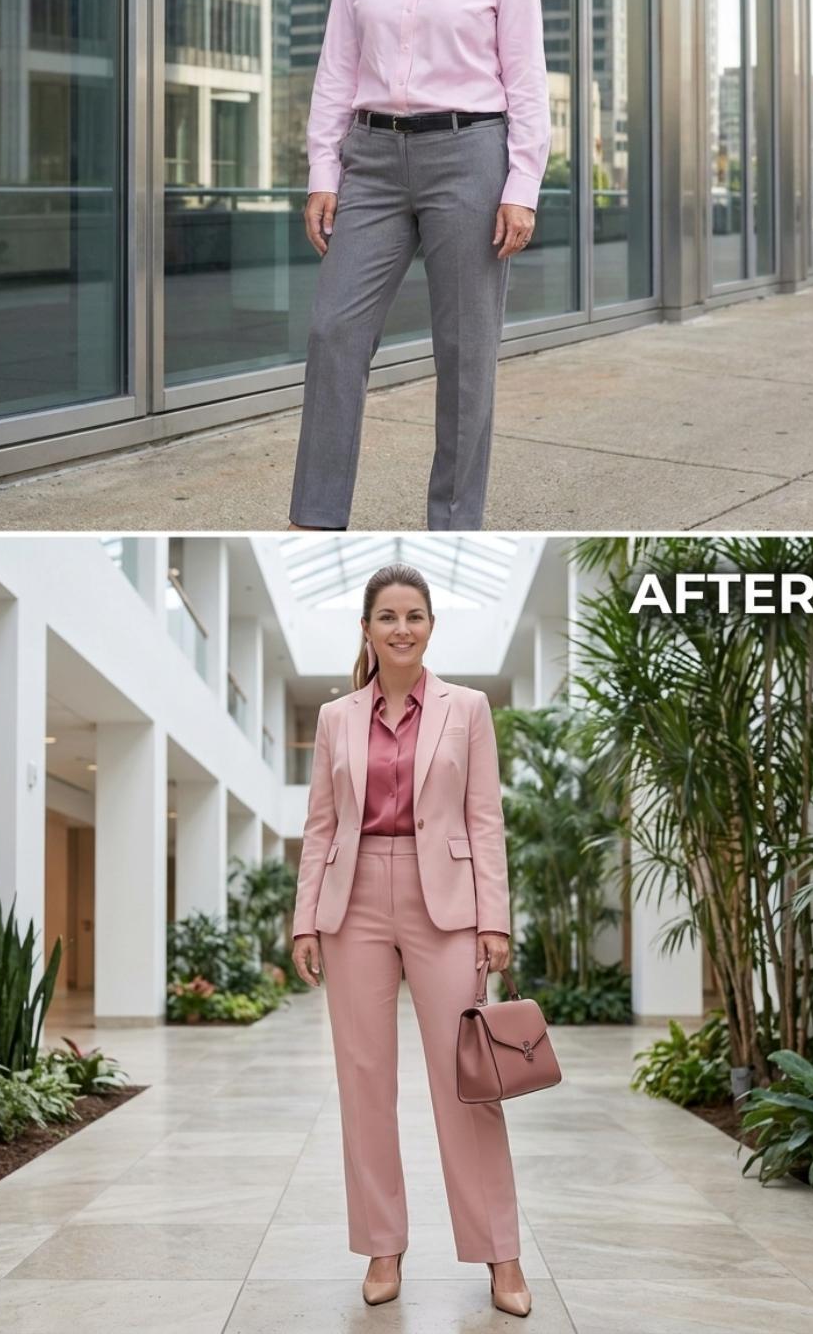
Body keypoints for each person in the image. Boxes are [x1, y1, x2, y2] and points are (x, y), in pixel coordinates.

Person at [288, 0, 551, 533]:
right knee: (333, 331)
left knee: (465, 356)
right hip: (370, 158)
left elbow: (525, 77)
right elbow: (336, 69)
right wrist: (322, 171)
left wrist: (521, 183)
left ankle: (453, 524)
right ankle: (315, 518)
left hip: (470, 155)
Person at [291, 563, 531, 1317]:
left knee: (467, 1083)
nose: (401, 627)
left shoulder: (468, 708)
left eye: (415, 615)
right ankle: (382, 1247)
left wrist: (493, 916)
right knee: (363, 1082)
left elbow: (483, 818)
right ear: (365, 628)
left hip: (446, 903)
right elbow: (321, 826)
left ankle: (501, 1257)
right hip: (352, 899)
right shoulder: (337, 718)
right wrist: (305, 919)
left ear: (431, 626)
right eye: (387, 616)